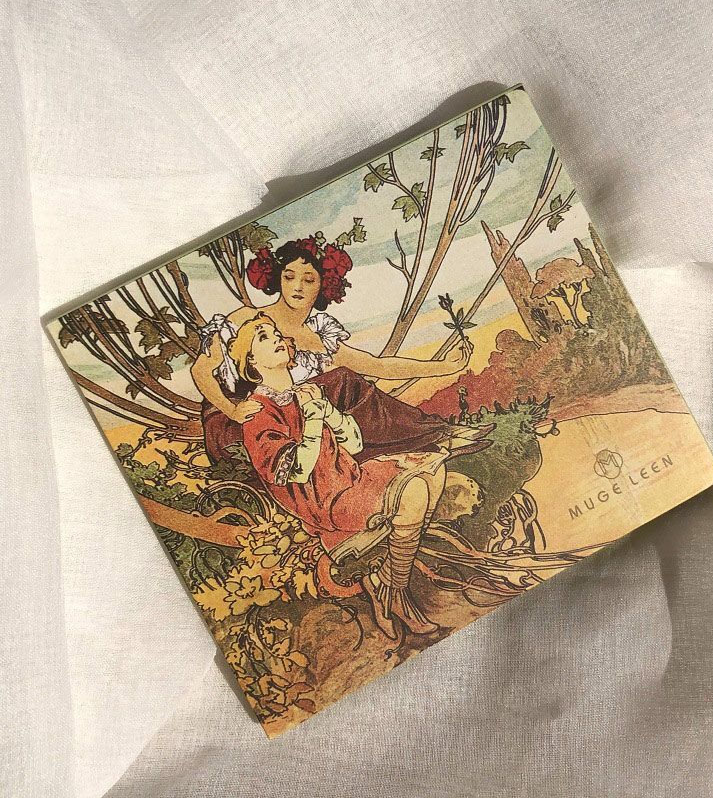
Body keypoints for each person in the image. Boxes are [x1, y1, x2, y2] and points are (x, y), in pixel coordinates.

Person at [228, 313, 446, 639]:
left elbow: (354, 443)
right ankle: (397, 593)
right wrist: (314, 418)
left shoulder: (306, 393)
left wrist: (327, 411)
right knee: (414, 491)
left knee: (434, 469)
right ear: (251, 362)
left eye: (274, 332)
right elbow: (296, 471)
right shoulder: (258, 413)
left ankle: (386, 580)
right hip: (325, 502)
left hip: (351, 478)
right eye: (262, 337)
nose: (276, 338)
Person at [190, 236, 493, 468]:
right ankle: (438, 434)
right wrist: (232, 410)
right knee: (342, 382)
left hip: (292, 422)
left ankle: (436, 439)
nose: (297, 287)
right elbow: (200, 370)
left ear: (324, 286)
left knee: (339, 392)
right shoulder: (247, 320)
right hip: (243, 426)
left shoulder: (318, 335)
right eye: (289, 277)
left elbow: (378, 366)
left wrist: (443, 367)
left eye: (309, 280)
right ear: (277, 279)